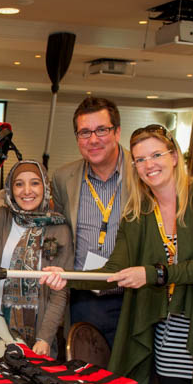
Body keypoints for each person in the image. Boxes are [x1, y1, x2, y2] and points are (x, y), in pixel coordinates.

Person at [45, 125, 193, 384]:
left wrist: (155, 274)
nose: (149, 165)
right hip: (166, 332)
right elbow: (112, 271)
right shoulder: (138, 211)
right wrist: (66, 276)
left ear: (174, 156)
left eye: (156, 155)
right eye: (140, 159)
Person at [50, 96, 133, 347]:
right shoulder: (63, 178)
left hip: (132, 296)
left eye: (102, 130)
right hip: (83, 298)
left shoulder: (140, 173)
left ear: (117, 132)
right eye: (85, 132)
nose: (93, 140)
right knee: (83, 367)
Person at [0, 149, 73, 356]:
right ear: (10, 190)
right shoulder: (0, 219)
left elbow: (59, 291)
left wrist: (45, 338)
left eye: (35, 183)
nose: (27, 191)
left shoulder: (59, 228)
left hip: (38, 340)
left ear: (45, 186)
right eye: (19, 184)